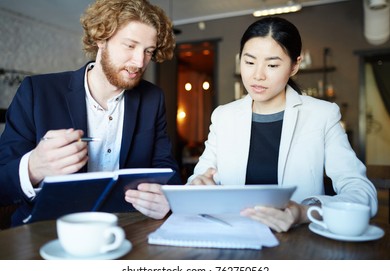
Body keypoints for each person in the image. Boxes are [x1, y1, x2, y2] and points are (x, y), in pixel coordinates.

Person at [0, 0, 182, 227]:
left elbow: (167, 170)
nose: (139, 62)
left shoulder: (152, 99)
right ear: (101, 39)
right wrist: (32, 168)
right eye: (130, 46)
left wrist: (168, 198)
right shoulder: (37, 92)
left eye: (148, 51)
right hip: (44, 231)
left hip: (125, 229)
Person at [187, 16, 378, 232]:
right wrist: (199, 186)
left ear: (295, 65)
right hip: (232, 234)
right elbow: (198, 179)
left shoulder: (321, 115)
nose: (257, 75)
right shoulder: (223, 116)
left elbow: (362, 193)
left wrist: (305, 212)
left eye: (272, 65)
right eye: (249, 62)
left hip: (298, 245)